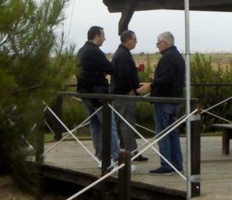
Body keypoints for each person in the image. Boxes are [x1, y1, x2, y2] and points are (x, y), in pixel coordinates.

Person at [139, 31, 185, 175]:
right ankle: (177, 164)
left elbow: (166, 79)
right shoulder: (178, 57)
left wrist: (151, 85)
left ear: (165, 43)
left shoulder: (167, 58)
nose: (157, 46)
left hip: (163, 100)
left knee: (163, 134)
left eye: (158, 43)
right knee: (173, 134)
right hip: (175, 100)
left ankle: (166, 166)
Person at [77, 25, 117, 164]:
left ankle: (101, 156)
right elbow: (111, 68)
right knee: (108, 125)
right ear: (97, 36)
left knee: (96, 125)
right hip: (98, 94)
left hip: (85, 93)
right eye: (103, 35)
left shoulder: (81, 51)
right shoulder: (95, 51)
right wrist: (103, 73)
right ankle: (115, 157)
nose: (105, 38)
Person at [111, 30, 146, 161]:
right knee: (127, 124)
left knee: (122, 123)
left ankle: (127, 151)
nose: (136, 42)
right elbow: (125, 76)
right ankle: (131, 152)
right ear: (128, 40)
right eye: (135, 39)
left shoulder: (122, 54)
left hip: (120, 94)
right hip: (124, 95)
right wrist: (132, 90)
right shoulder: (123, 55)